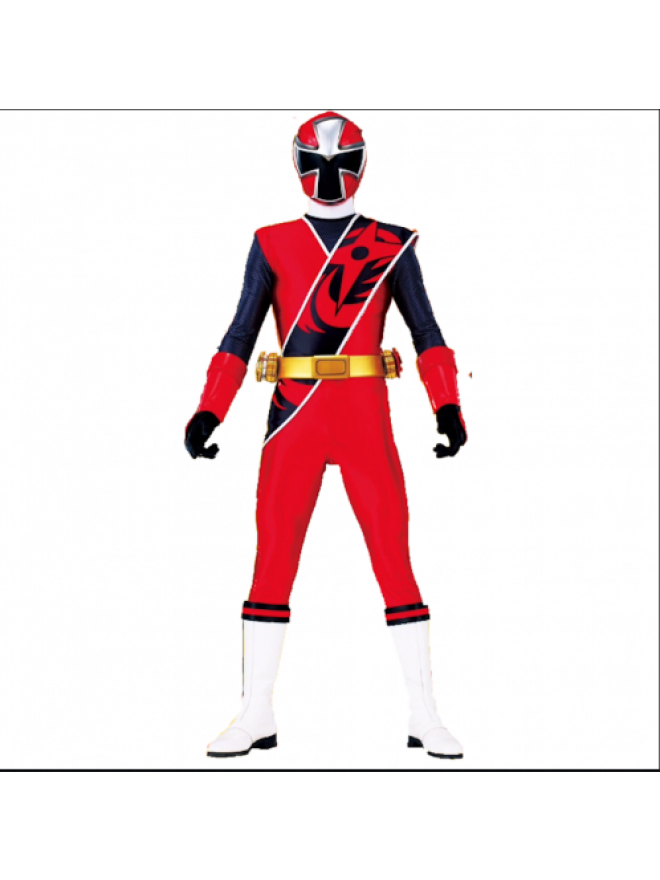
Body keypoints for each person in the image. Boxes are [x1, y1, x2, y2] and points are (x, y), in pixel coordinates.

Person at [185, 112, 467, 759]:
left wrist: (447, 403)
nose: (330, 175)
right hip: (294, 417)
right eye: (319, 162)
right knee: (273, 560)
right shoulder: (271, 242)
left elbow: (426, 331)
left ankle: (424, 713)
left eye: (341, 162)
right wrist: (210, 409)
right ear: (299, 163)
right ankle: (255, 712)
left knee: (394, 558)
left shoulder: (392, 244)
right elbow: (240, 333)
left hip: (364, 416)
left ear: (360, 164)